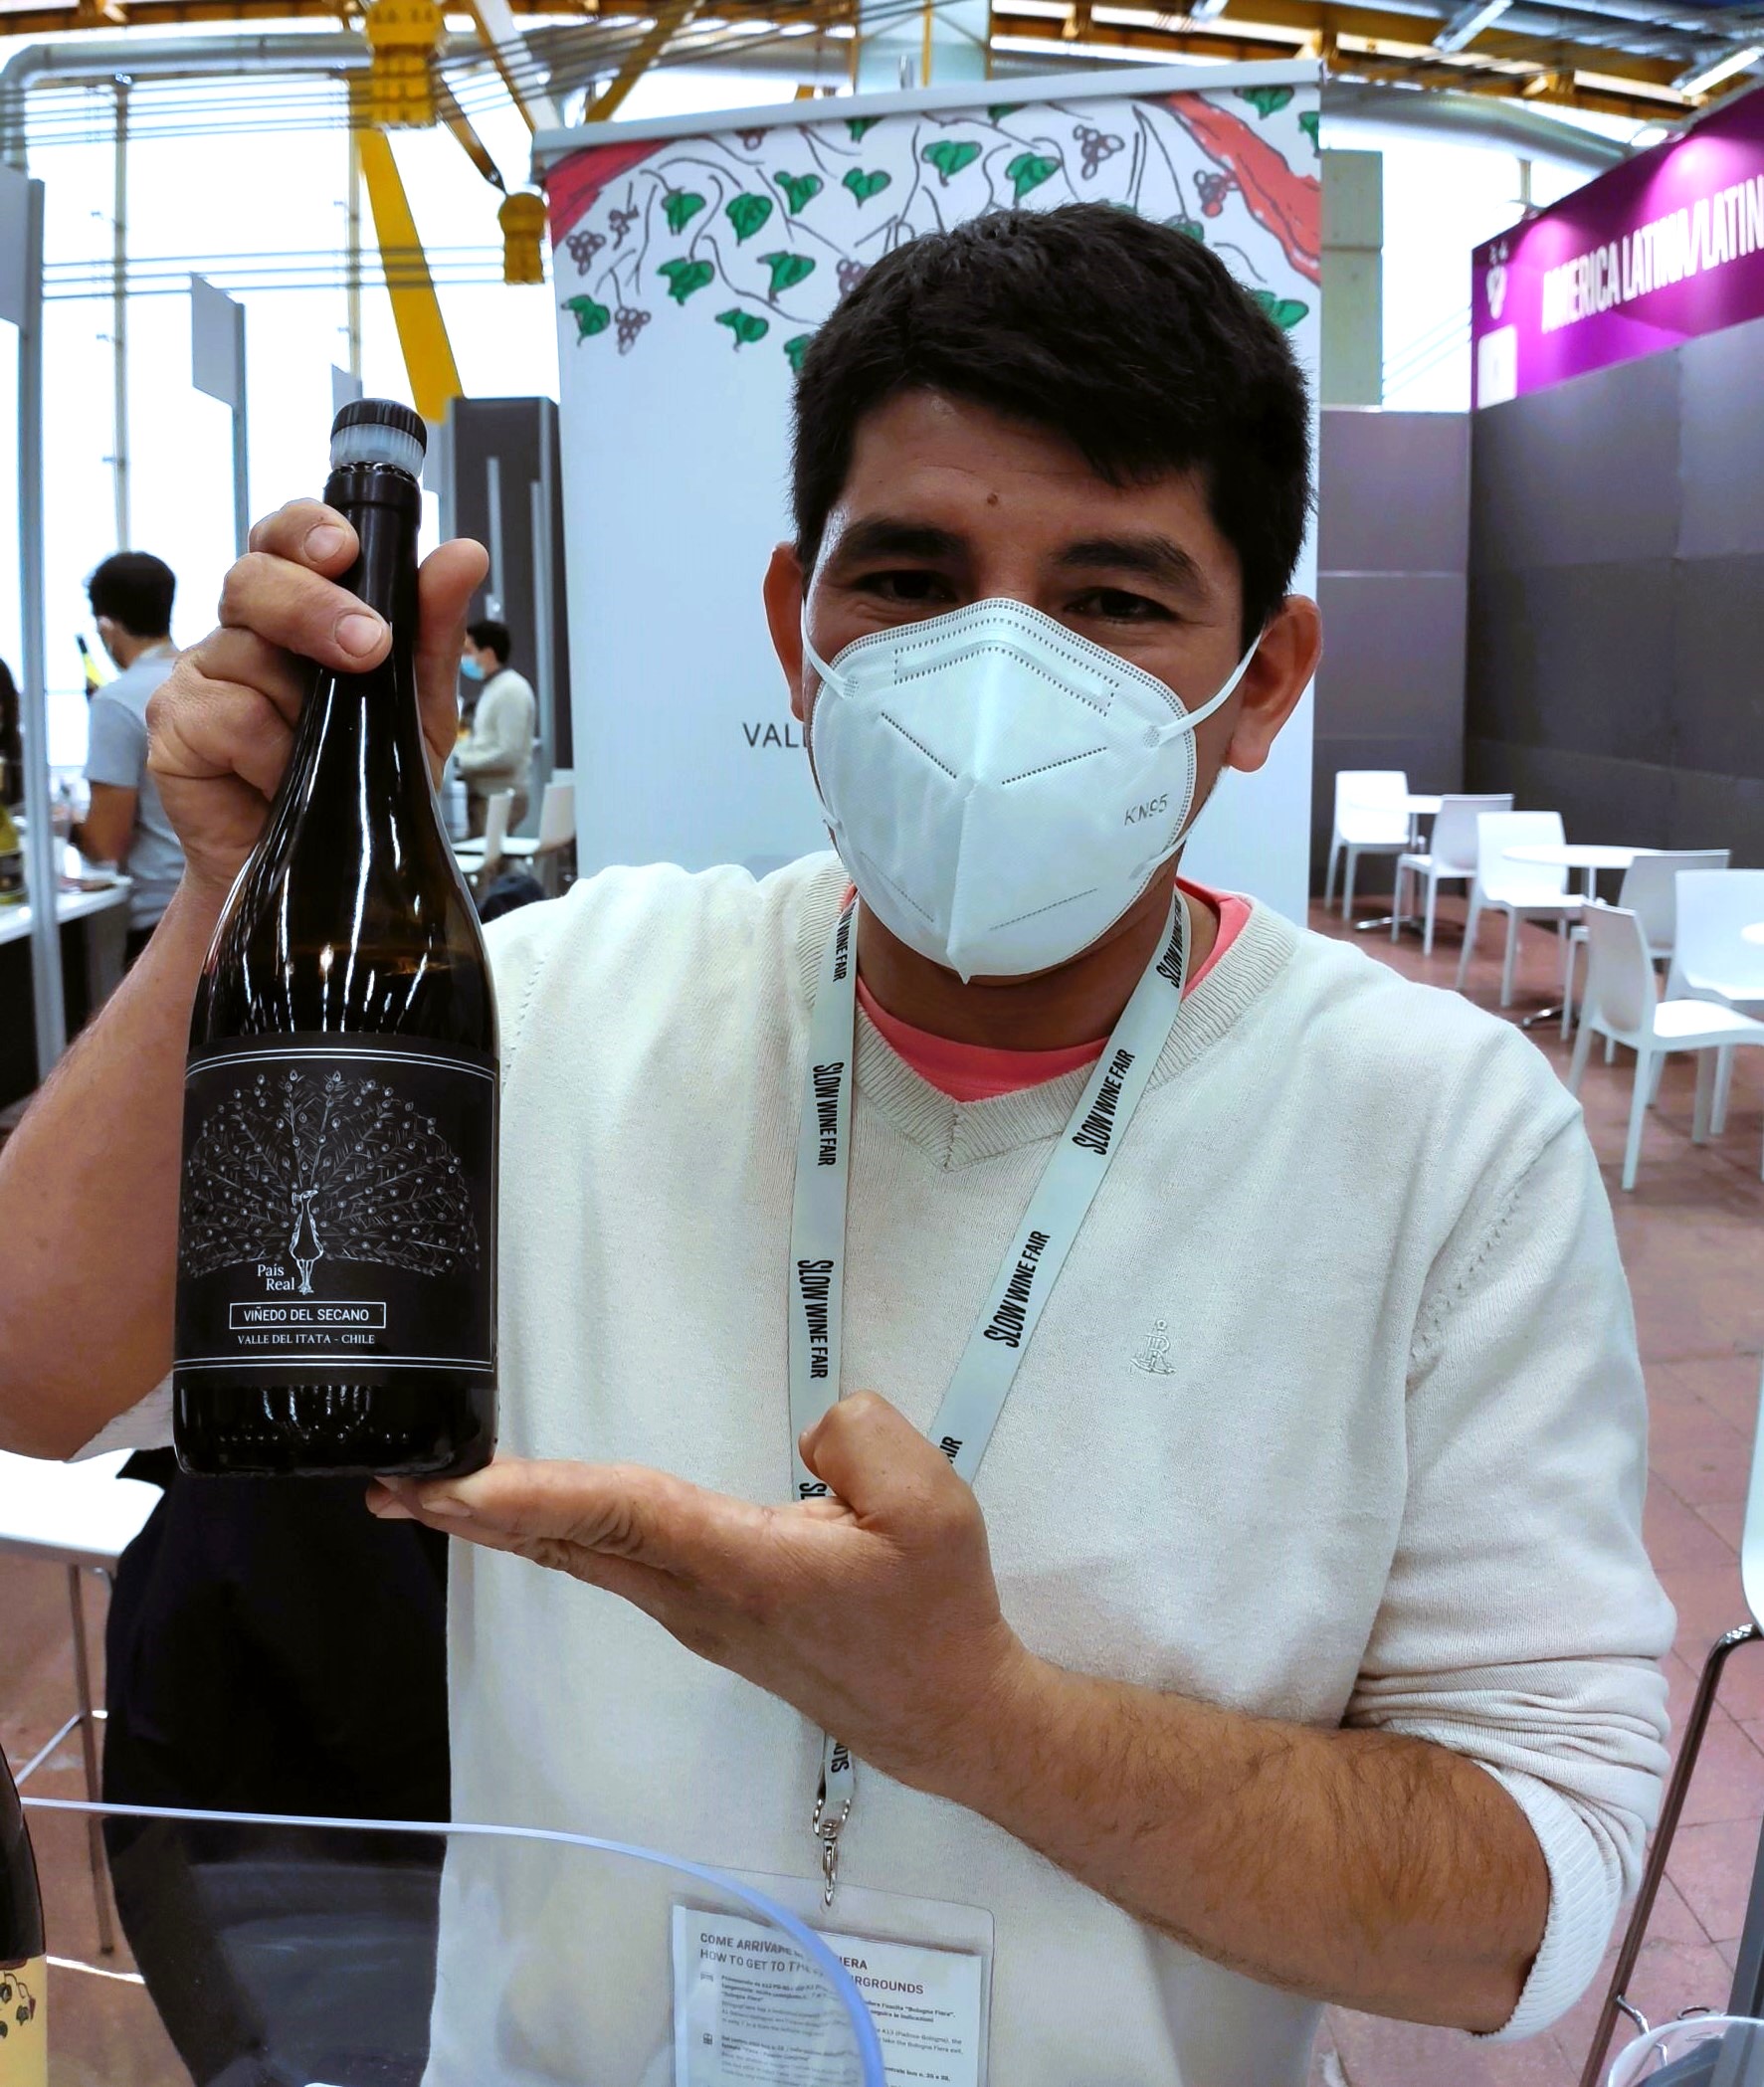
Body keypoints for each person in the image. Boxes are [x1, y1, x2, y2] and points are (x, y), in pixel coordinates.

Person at [0, 207, 1670, 2086]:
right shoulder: (546, 1011)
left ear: (1263, 678)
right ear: (798, 624)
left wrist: (976, 1718)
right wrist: (233, 898)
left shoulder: (1440, 1139)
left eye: (1113, 600)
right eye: (910, 578)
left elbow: (1521, 1903)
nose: (994, 673)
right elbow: (33, 1370)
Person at [72, 552, 185, 964]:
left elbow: (107, 843)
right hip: (236, 906)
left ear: (106, 626)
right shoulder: (205, 679)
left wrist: (66, 825)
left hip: (164, 920)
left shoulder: (116, 701)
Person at [454, 618, 535, 834]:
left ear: (488, 653)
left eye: (468, 651)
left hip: (498, 797)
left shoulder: (511, 690)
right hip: (486, 796)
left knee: (487, 855)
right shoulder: (493, 689)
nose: (463, 659)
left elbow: (508, 753)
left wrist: (463, 763)